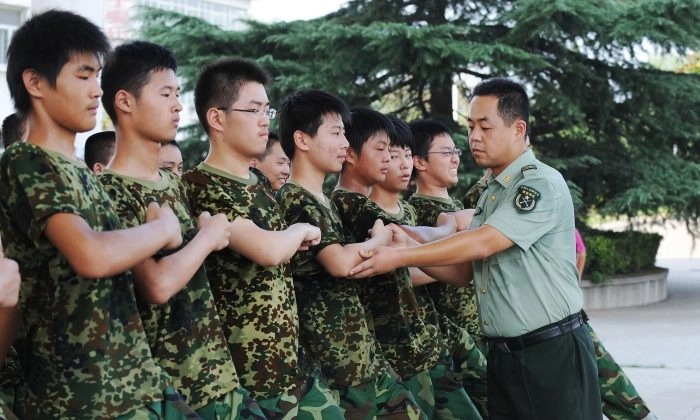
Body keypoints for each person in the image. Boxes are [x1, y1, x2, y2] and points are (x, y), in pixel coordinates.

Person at [350, 77, 602, 419]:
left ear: (518, 129)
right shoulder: (494, 193)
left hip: (549, 353)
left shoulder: (537, 183)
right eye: (470, 127)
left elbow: (483, 243)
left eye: (485, 127)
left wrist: (402, 255)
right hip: (506, 356)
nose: (474, 137)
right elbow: (462, 272)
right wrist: (406, 242)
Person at [0, 10, 197, 418]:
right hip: (83, 398)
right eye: (83, 75)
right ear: (35, 82)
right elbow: (92, 255)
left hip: (134, 383)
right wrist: (163, 228)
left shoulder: (80, 172)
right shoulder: (27, 159)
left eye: (98, 76)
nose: (96, 90)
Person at [99, 41, 266, 419]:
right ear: (125, 101)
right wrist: (207, 237)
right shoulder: (112, 190)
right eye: (165, 94)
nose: (177, 105)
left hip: (217, 375)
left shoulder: (170, 183)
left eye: (178, 94)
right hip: (171, 387)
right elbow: (155, 285)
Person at [183, 58, 342, 419]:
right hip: (249, 375)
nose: (264, 120)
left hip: (291, 364)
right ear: (217, 118)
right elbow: (268, 250)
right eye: (253, 109)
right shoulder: (200, 185)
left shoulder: (259, 186)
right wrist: (300, 230)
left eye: (266, 109)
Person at [277, 89, 424, 419]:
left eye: (345, 133)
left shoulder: (324, 201)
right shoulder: (295, 199)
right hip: (335, 364)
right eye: (336, 133)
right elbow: (340, 262)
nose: (345, 143)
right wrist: (380, 238)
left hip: (362, 356)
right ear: (302, 140)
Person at [333, 108, 482, 419]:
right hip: (393, 351)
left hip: (420, 344)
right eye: (382, 150)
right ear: (350, 153)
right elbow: (404, 235)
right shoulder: (352, 206)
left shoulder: (359, 205)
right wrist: (449, 225)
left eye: (396, 152)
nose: (390, 160)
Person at [406, 119, 489, 416]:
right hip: (455, 338)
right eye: (445, 152)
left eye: (456, 150)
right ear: (419, 161)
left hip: (481, 331)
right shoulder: (419, 213)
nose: (455, 157)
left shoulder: (454, 206)